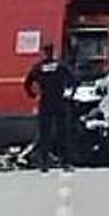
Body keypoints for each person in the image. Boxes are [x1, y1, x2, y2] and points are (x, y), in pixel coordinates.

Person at [24, 43, 76, 172]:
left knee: (44, 134)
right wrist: (69, 95)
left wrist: (33, 94)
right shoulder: (61, 66)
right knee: (63, 134)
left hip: (46, 102)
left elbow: (27, 83)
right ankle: (66, 162)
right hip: (59, 102)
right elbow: (73, 81)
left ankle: (44, 163)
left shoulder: (39, 67)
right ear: (54, 52)